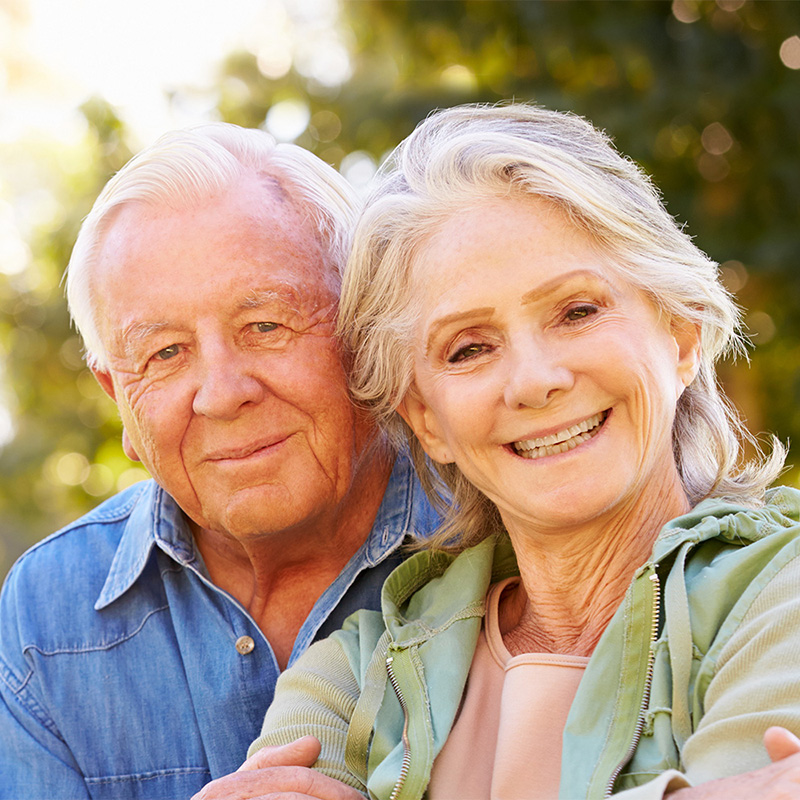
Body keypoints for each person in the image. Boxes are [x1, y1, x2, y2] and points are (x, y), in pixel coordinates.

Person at [230, 104, 800, 800]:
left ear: (680, 336)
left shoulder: (784, 599)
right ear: (425, 420)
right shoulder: (350, 677)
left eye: (578, 311)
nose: (534, 381)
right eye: (469, 348)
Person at [0, 123, 438, 799]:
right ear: (120, 399)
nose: (223, 393)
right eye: (165, 353)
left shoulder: (508, 535)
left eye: (265, 325)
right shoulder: (49, 611)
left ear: (363, 329)